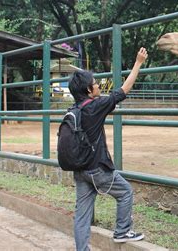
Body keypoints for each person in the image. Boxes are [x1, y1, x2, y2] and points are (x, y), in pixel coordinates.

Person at [68, 47, 148, 250]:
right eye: (95, 83)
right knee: (126, 192)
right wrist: (138, 63)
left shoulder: (74, 109)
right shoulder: (95, 106)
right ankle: (122, 231)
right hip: (97, 170)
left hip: (80, 170)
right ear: (88, 90)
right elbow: (123, 91)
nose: (98, 85)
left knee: (82, 214)